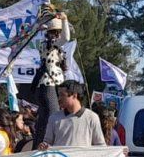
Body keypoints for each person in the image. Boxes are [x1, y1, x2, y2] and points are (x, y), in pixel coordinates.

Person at [31, 10, 72, 146]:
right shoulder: (53, 43)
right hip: (50, 83)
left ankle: (38, 143)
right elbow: (66, 38)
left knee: (44, 118)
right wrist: (65, 20)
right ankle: (50, 143)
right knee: (54, 115)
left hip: (45, 84)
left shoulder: (46, 44)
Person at [41, 81, 106, 148]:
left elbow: (100, 146)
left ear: (74, 95)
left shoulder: (92, 117)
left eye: (62, 95)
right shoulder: (54, 118)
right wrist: (44, 146)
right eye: (58, 95)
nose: (59, 99)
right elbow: (47, 143)